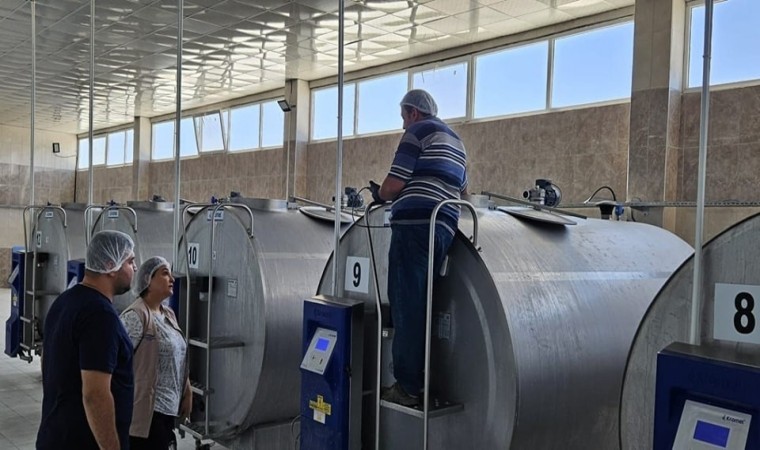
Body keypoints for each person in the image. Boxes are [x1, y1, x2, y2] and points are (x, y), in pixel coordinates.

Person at [369, 89, 468, 407]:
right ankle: (426, 379)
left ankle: (408, 387)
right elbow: (465, 192)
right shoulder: (457, 142)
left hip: (415, 226)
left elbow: (394, 184)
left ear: (413, 112)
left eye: (403, 117)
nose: (402, 125)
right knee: (424, 303)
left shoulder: (418, 132)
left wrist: (380, 195)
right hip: (444, 226)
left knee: (406, 303)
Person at [36, 230, 137, 450]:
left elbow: (47, 362)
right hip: (83, 441)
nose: (135, 268)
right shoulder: (100, 315)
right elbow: (95, 394)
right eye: (130, 261)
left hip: (56, 433)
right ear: (111, 266)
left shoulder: (65, 300)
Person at [120, 256, 191, 450]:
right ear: (148, 281)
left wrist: (187, 390)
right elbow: (116, 365)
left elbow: (178, 355)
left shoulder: (168, 314)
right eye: (165, 273)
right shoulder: (135, 316)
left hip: (168, 411)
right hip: (147, 414)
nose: (172, 279)